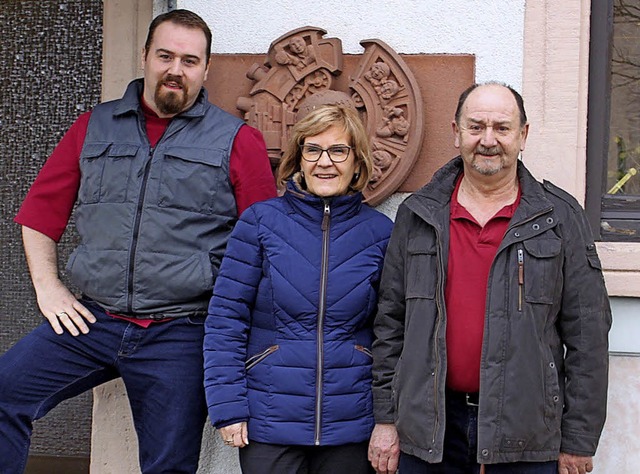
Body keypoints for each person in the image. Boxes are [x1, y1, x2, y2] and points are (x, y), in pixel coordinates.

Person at [0, 9, 276, 473]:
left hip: (182, 331)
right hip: (94, 320)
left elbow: (262, 245)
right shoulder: (94, 127)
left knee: (168, 465)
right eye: (165, 55)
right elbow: (40, 214)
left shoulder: (237, 140)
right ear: (145, 56)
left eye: (189, 61)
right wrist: (49, 289)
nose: (175, 70)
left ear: (205, 70)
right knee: (6, 392)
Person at [368, 82, 611, 474]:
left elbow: (589, 338)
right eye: (476, 126)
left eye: (501, 127)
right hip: (429, 431)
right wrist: (386, 418)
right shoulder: (418, 215)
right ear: (456, 132)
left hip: (526, 436)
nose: (488, 140)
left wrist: (579, 440)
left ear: (523, 135)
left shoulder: (560, 217)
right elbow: (389, 325)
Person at [203, 104, 393, 474]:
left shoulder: (381, 233)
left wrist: (389, 417)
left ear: (357, 162)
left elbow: (393, 331)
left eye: (338, 150)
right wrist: (227, 406)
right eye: (313, 150)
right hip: (269, 420)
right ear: (298, 159)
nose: (325, 162)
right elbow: (226, 319)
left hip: (351, 423)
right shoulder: (260, 223)